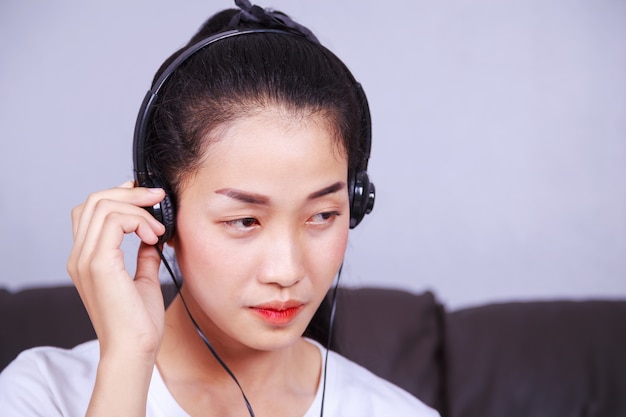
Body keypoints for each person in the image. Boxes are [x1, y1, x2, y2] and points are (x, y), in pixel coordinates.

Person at [0, 1, 439, 416]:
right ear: (161, 214)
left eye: (322, 215)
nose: (286, 271)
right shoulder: (41, 394)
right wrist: (128, 360)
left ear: (356, 202)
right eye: (245, 220)